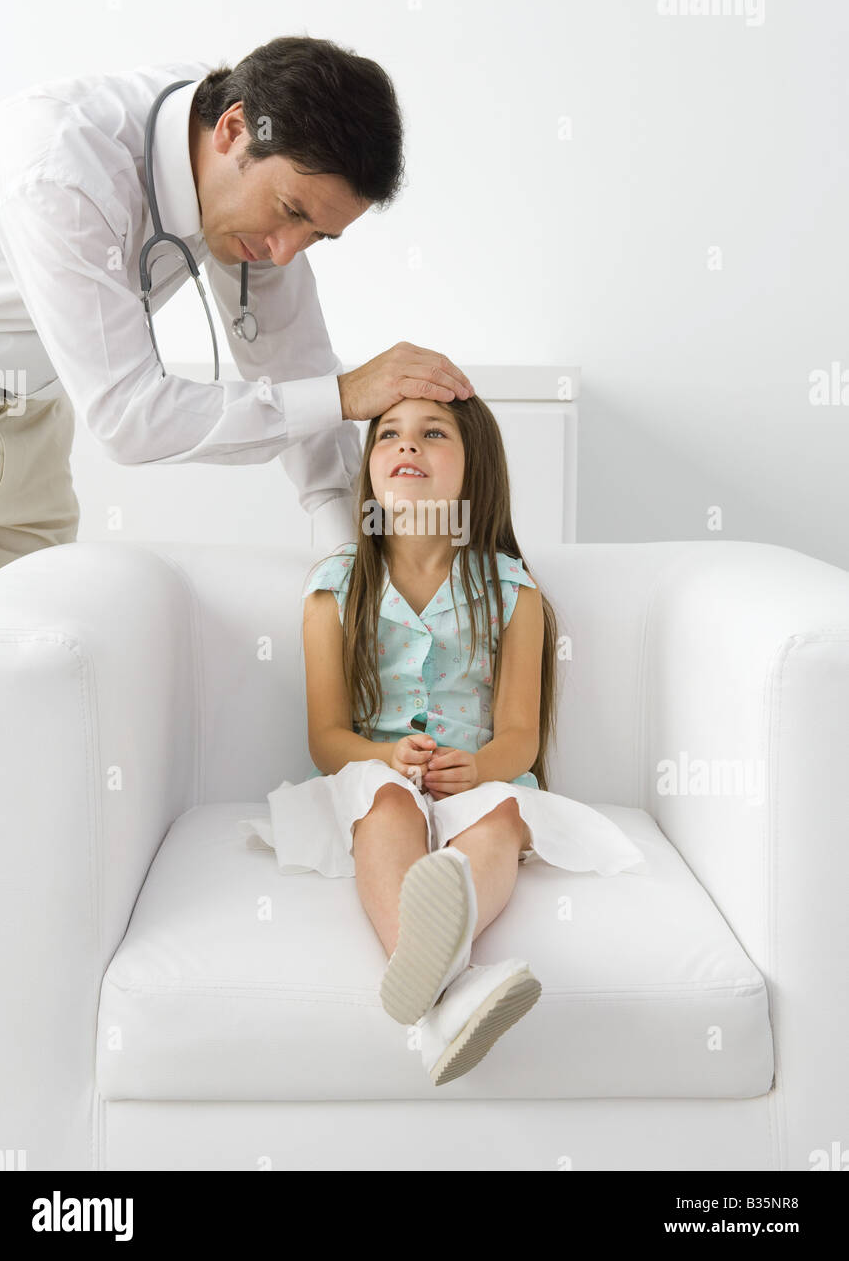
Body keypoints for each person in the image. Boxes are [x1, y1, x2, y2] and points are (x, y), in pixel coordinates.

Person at [239, 392, 649, 1087]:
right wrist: (383, 756)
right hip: (379, 780)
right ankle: (451, 1000)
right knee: (385, 804)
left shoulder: (512, 593)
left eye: (432, 434)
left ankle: (438, 936)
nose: (406, 447)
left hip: (477, 785)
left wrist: (481, 767)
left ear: (474, 467)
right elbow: (327, 738)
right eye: (388, 436)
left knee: (499, 817)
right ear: (368, 468)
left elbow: (520, 734)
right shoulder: (332, 590)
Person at [0, 35, 475, 576]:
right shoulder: (60, 172)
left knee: (26, 638)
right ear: (233, 130)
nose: (284, 253)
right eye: (289, 210)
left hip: (36, 417)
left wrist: (357, 567)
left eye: (316, 236)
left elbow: (294, 364)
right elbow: (128, 417)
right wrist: (344, 392)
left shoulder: (226, 137)